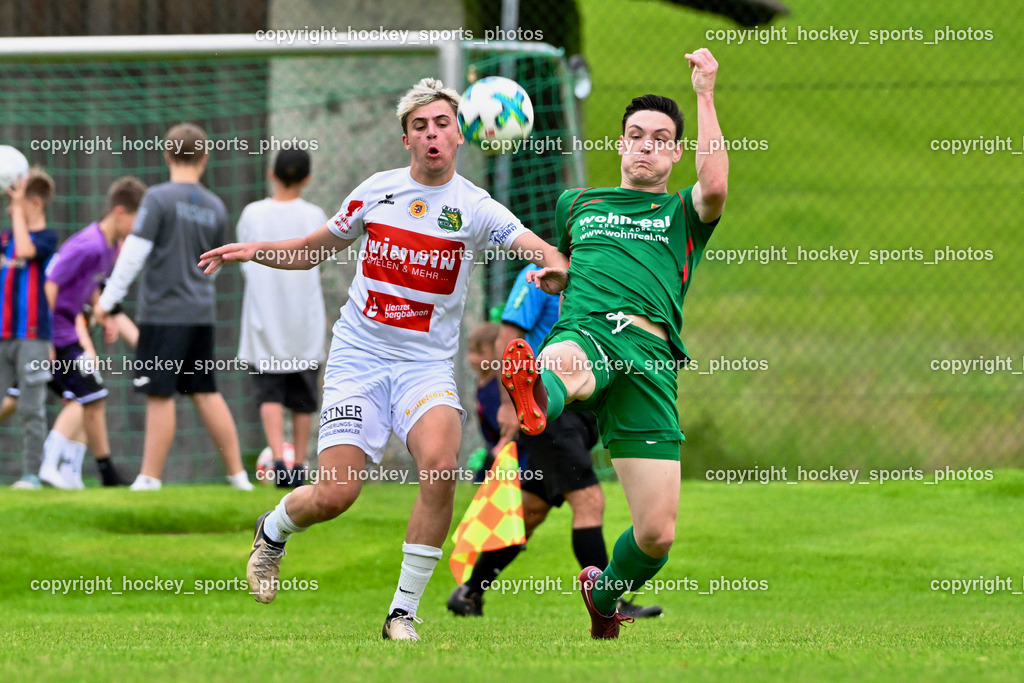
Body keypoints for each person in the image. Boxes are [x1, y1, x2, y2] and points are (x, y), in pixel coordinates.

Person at [198, 78, 568, 642]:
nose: (432, 135)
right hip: (360, 359)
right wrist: (254, 251)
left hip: (425, 368)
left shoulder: (474, 207)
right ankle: (272, 530)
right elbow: (312, 250)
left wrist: (556, 267)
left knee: (440, 467)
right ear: (406, 140)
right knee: (335, 495)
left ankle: (402, 613)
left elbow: (535, 247)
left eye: (442, 124)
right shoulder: (378, 191)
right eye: (420, 126)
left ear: (460, 134)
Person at [501, 48, 728, 639]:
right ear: (621, 145)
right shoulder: (577, 204)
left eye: (660, 139)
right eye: (636, 136)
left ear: (675, 152)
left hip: (650, 362)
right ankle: (535, 393)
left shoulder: (681, 213)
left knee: (656, 533)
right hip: (592, 331)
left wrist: (704, 92)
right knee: (565, 360)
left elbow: (715, 185)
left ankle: (604, 596)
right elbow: (568, 262)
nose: (646, 146)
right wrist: (559, 276)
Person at [447, 264, 661, 620]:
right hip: (546, 406)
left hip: (582, 406)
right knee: (589, 500)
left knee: (530, 511)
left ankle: (470, 593)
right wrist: (507, 404)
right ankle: (609, 602)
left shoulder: (601, 271)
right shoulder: (538, 274)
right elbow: (507, 336)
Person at [95, 123, 252, 492]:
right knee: (205, 390)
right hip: (200, 313)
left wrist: (107, 301)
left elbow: (134, 253)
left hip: (163, 315)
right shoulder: (216, 206)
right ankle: (239, 477)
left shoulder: (157, 199)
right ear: (205, 158)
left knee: (159, 392)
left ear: (167, 155)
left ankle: (149, 478)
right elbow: (214, 265)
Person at [36, 176, 147, 489]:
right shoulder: (87, 245)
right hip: (58, 332)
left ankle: (71, 471)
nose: (138, 229)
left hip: (70, 331)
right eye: (137, 220)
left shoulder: (109, 248)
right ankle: (50, 464)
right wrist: (45, 338)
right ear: (120, 212)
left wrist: (104, 314)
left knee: (89, 397)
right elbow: (50, 285)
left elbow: (91, 285)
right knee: (89, 396)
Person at [236, 149, 327, 488]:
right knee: (303, 396)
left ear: (271, 173)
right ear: (308, 178)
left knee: (269, 392)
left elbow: (244, 258)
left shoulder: (253, 213)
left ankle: (278, 461)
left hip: (264, 316)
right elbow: (320, 258)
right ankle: (299, 464)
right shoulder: (315, 215)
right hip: (304, 320)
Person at [1, 171, 59, 489]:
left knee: (30, 408)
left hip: (34, 337)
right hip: (3, 335)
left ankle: (31, 475)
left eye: (16, 202)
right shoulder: (5, 240)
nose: (10, 209)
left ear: (34, 203)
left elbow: (25, 250)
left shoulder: (47, 239)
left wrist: (18, 212)